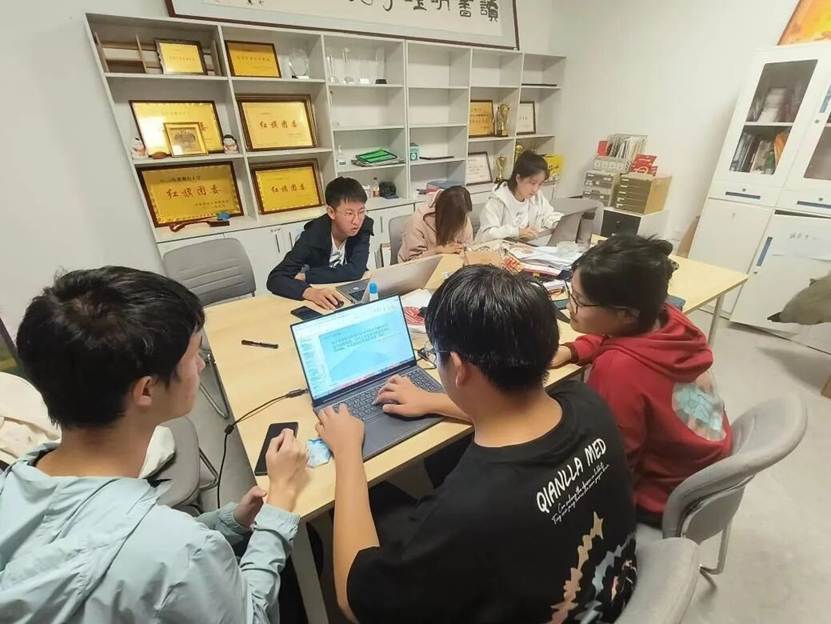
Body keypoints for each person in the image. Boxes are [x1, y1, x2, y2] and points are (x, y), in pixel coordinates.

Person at [316, 265, 637, 624]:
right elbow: (511, 413)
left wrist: (347, 452)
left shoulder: (467, 509)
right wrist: (433, 401)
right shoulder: (586, 402)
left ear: (458, 367)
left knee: (378, 499)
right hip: (610, 594)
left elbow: (352, 600)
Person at [0, 267, 309, 623]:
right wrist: (280, 501)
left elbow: (129, 541)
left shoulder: (19, 478)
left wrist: (227, 522)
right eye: (193, 356)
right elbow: (249, 616)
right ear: (146, 389)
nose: (202, 364)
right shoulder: (180, 550)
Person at [550, 235, 733, 524]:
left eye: (580, 300)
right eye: (570, 292)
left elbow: (614, 460)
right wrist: (572, 350)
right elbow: (615, 335)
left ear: (626, 314)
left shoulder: (618, 370)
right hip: (707, 464)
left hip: (668, 494)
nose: (570, 306)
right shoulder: (668, 318)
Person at [266, 177, 373, 310]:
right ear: (331, 212)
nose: (356, 221)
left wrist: (306, 276)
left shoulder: (364, 226)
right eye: (349, 213)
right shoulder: (313, 235)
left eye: (361, 212)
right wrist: (310, 292)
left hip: (351, 291)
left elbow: (356, 270)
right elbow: (275, 278)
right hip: (323, 297)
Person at [475, 150, 563, 243]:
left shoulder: (537, 196)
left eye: (540, 184)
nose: (535, 189)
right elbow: (487, 234)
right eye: (532, 183)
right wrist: (517, 232)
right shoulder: (499, 199)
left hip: (524, 247)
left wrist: (557, 223)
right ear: (518, 178)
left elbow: (548, 215)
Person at [397, 185, 474, 263]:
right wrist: (437, 251)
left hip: (451, 264)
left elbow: (467, 246)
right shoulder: (417, 221)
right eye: (456, 221)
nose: (463, 222)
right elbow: (411, 262)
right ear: (445, 216)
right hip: (421, 267)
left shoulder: (462, 216)